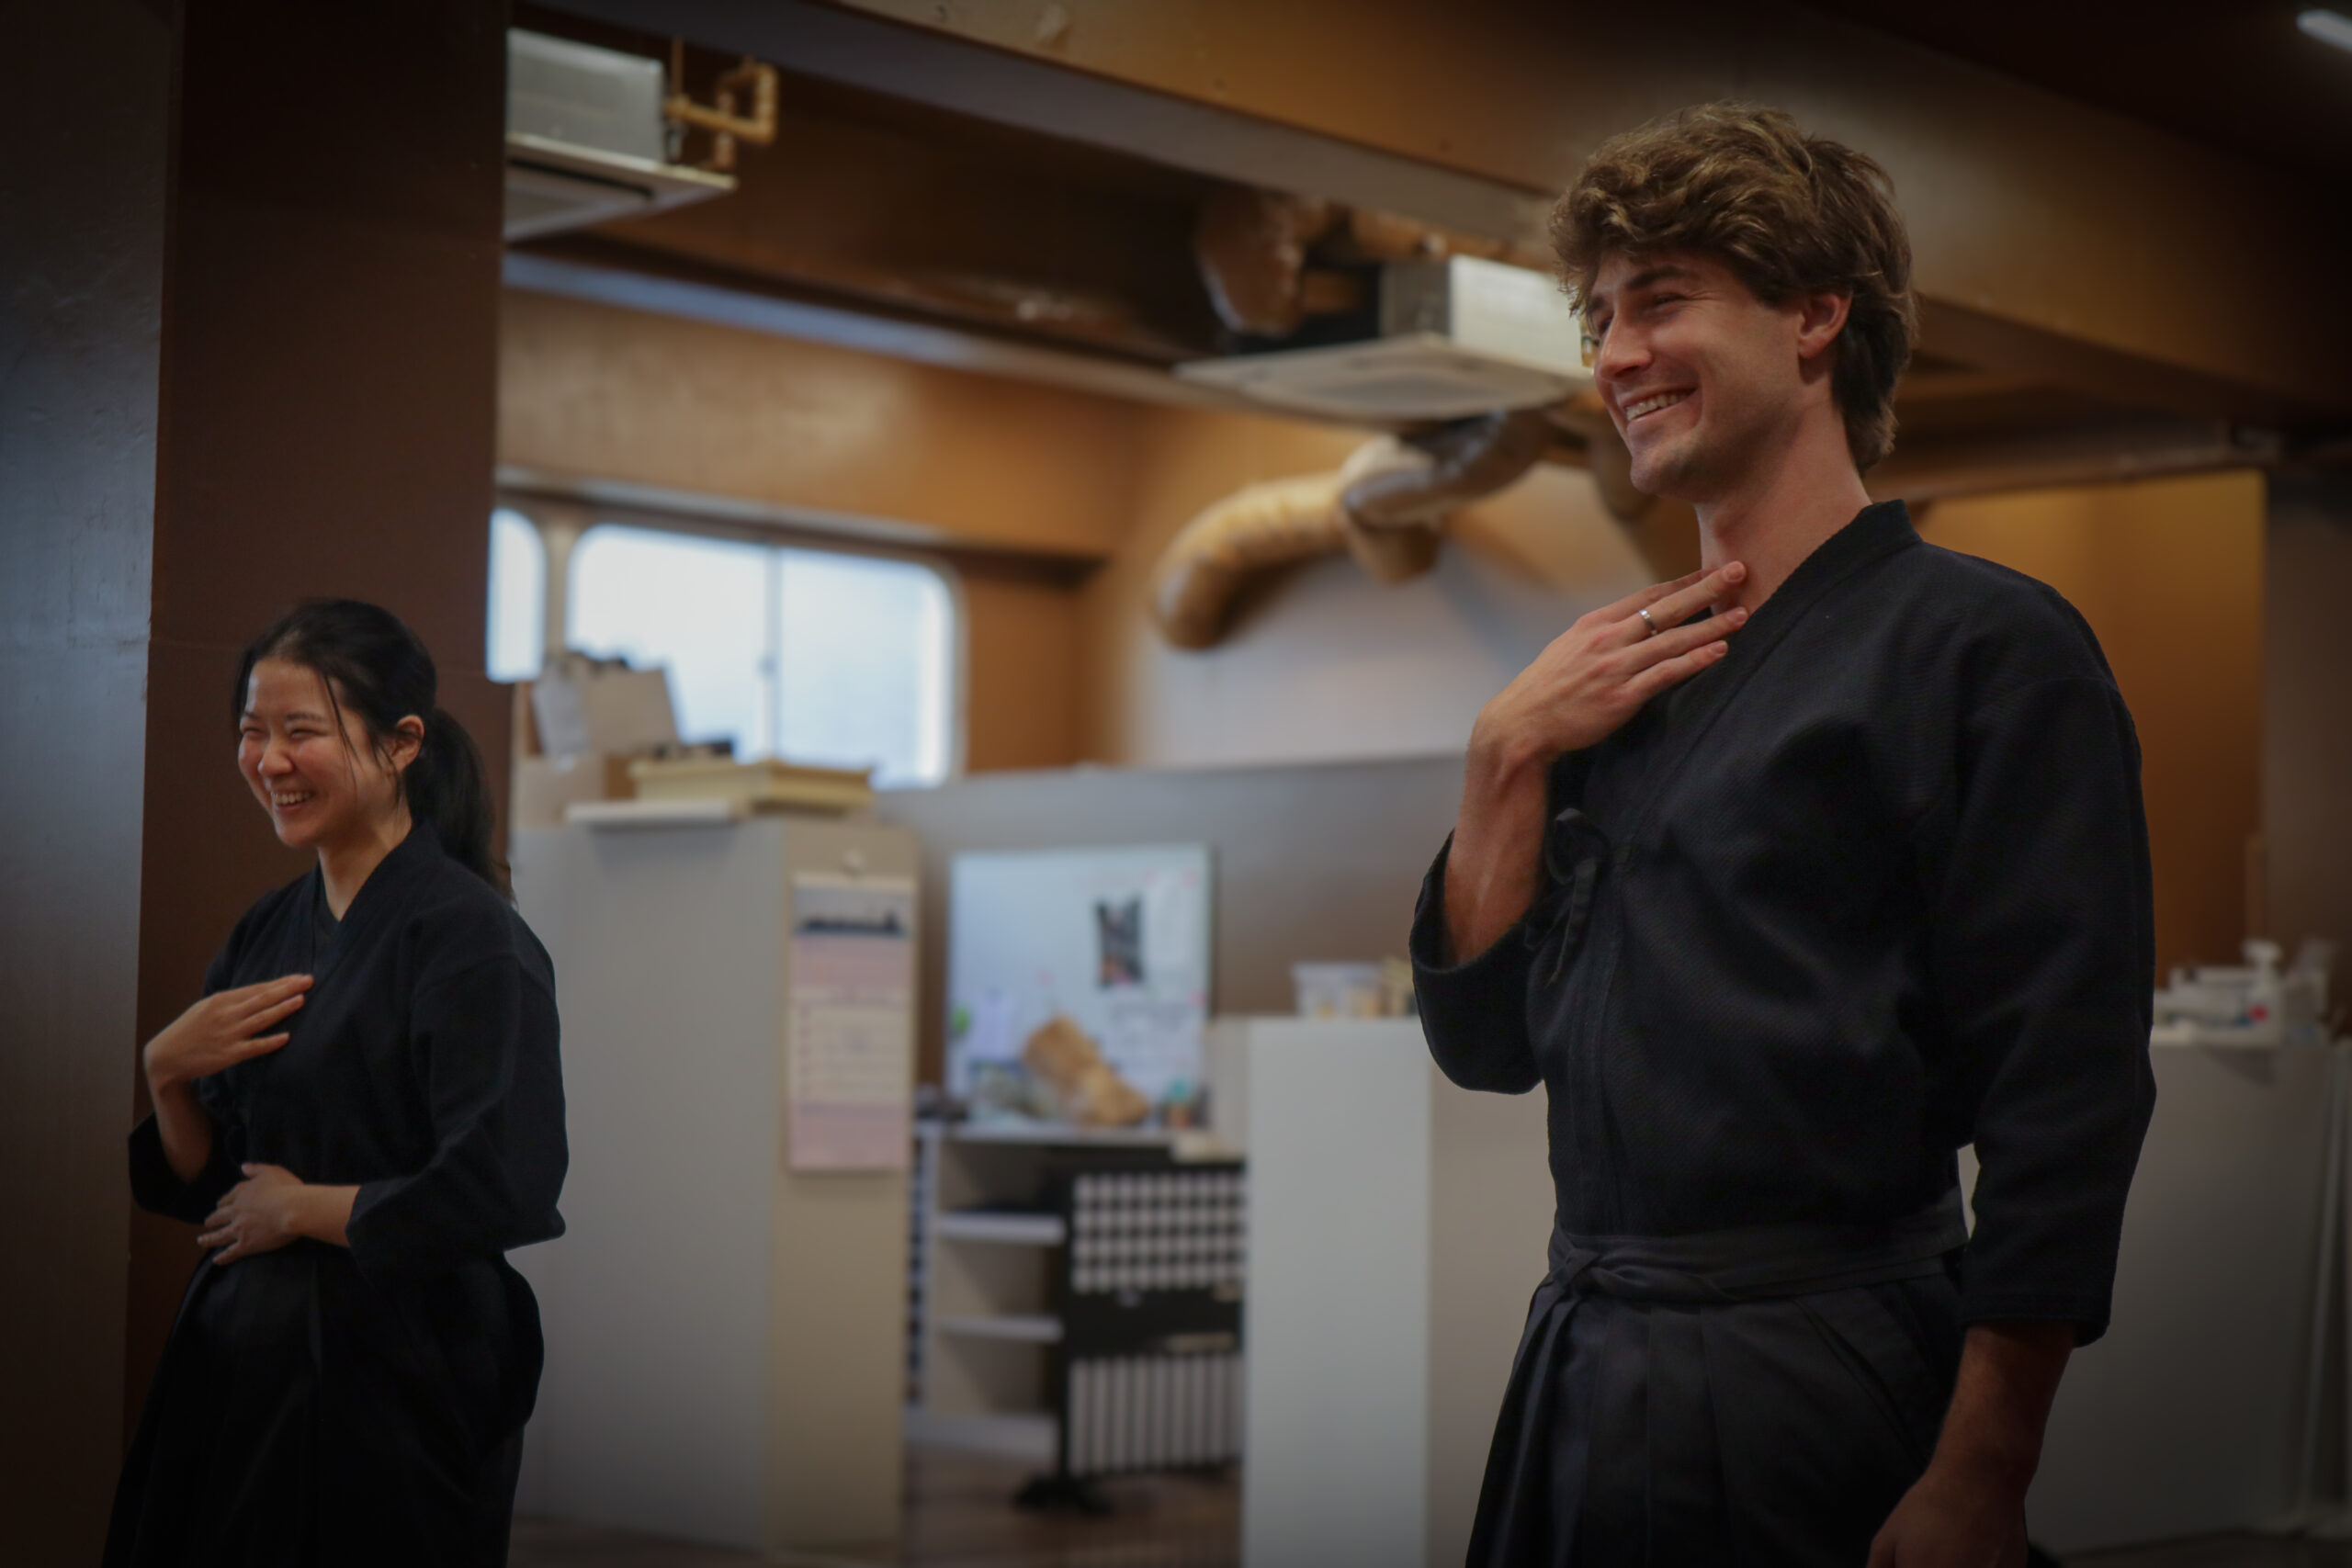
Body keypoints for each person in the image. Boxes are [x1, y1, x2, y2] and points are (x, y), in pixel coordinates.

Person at [1411, 104, 2154, 1566]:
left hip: (1822, 1358)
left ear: (1817, 316)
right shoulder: (1607, 681)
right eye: (1600, 316)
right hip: (1585, 1353)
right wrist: (1503, 756)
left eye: (1662, 300)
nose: (1615, 354)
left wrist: (1985, 1465)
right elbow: (1487, 1046)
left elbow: (2066, 1095)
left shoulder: (1984, 647)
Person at [107, 600, 568, 1567]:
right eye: (253, 732)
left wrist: (304, 1209)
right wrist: (167, 1073)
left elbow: (500, 1180)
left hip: (401, 1368)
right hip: (243, 1354)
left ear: (402, 744)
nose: (270, 761)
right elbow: (218, 1188)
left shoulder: (473, 938)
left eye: (301, 732)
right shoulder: (268, 927)